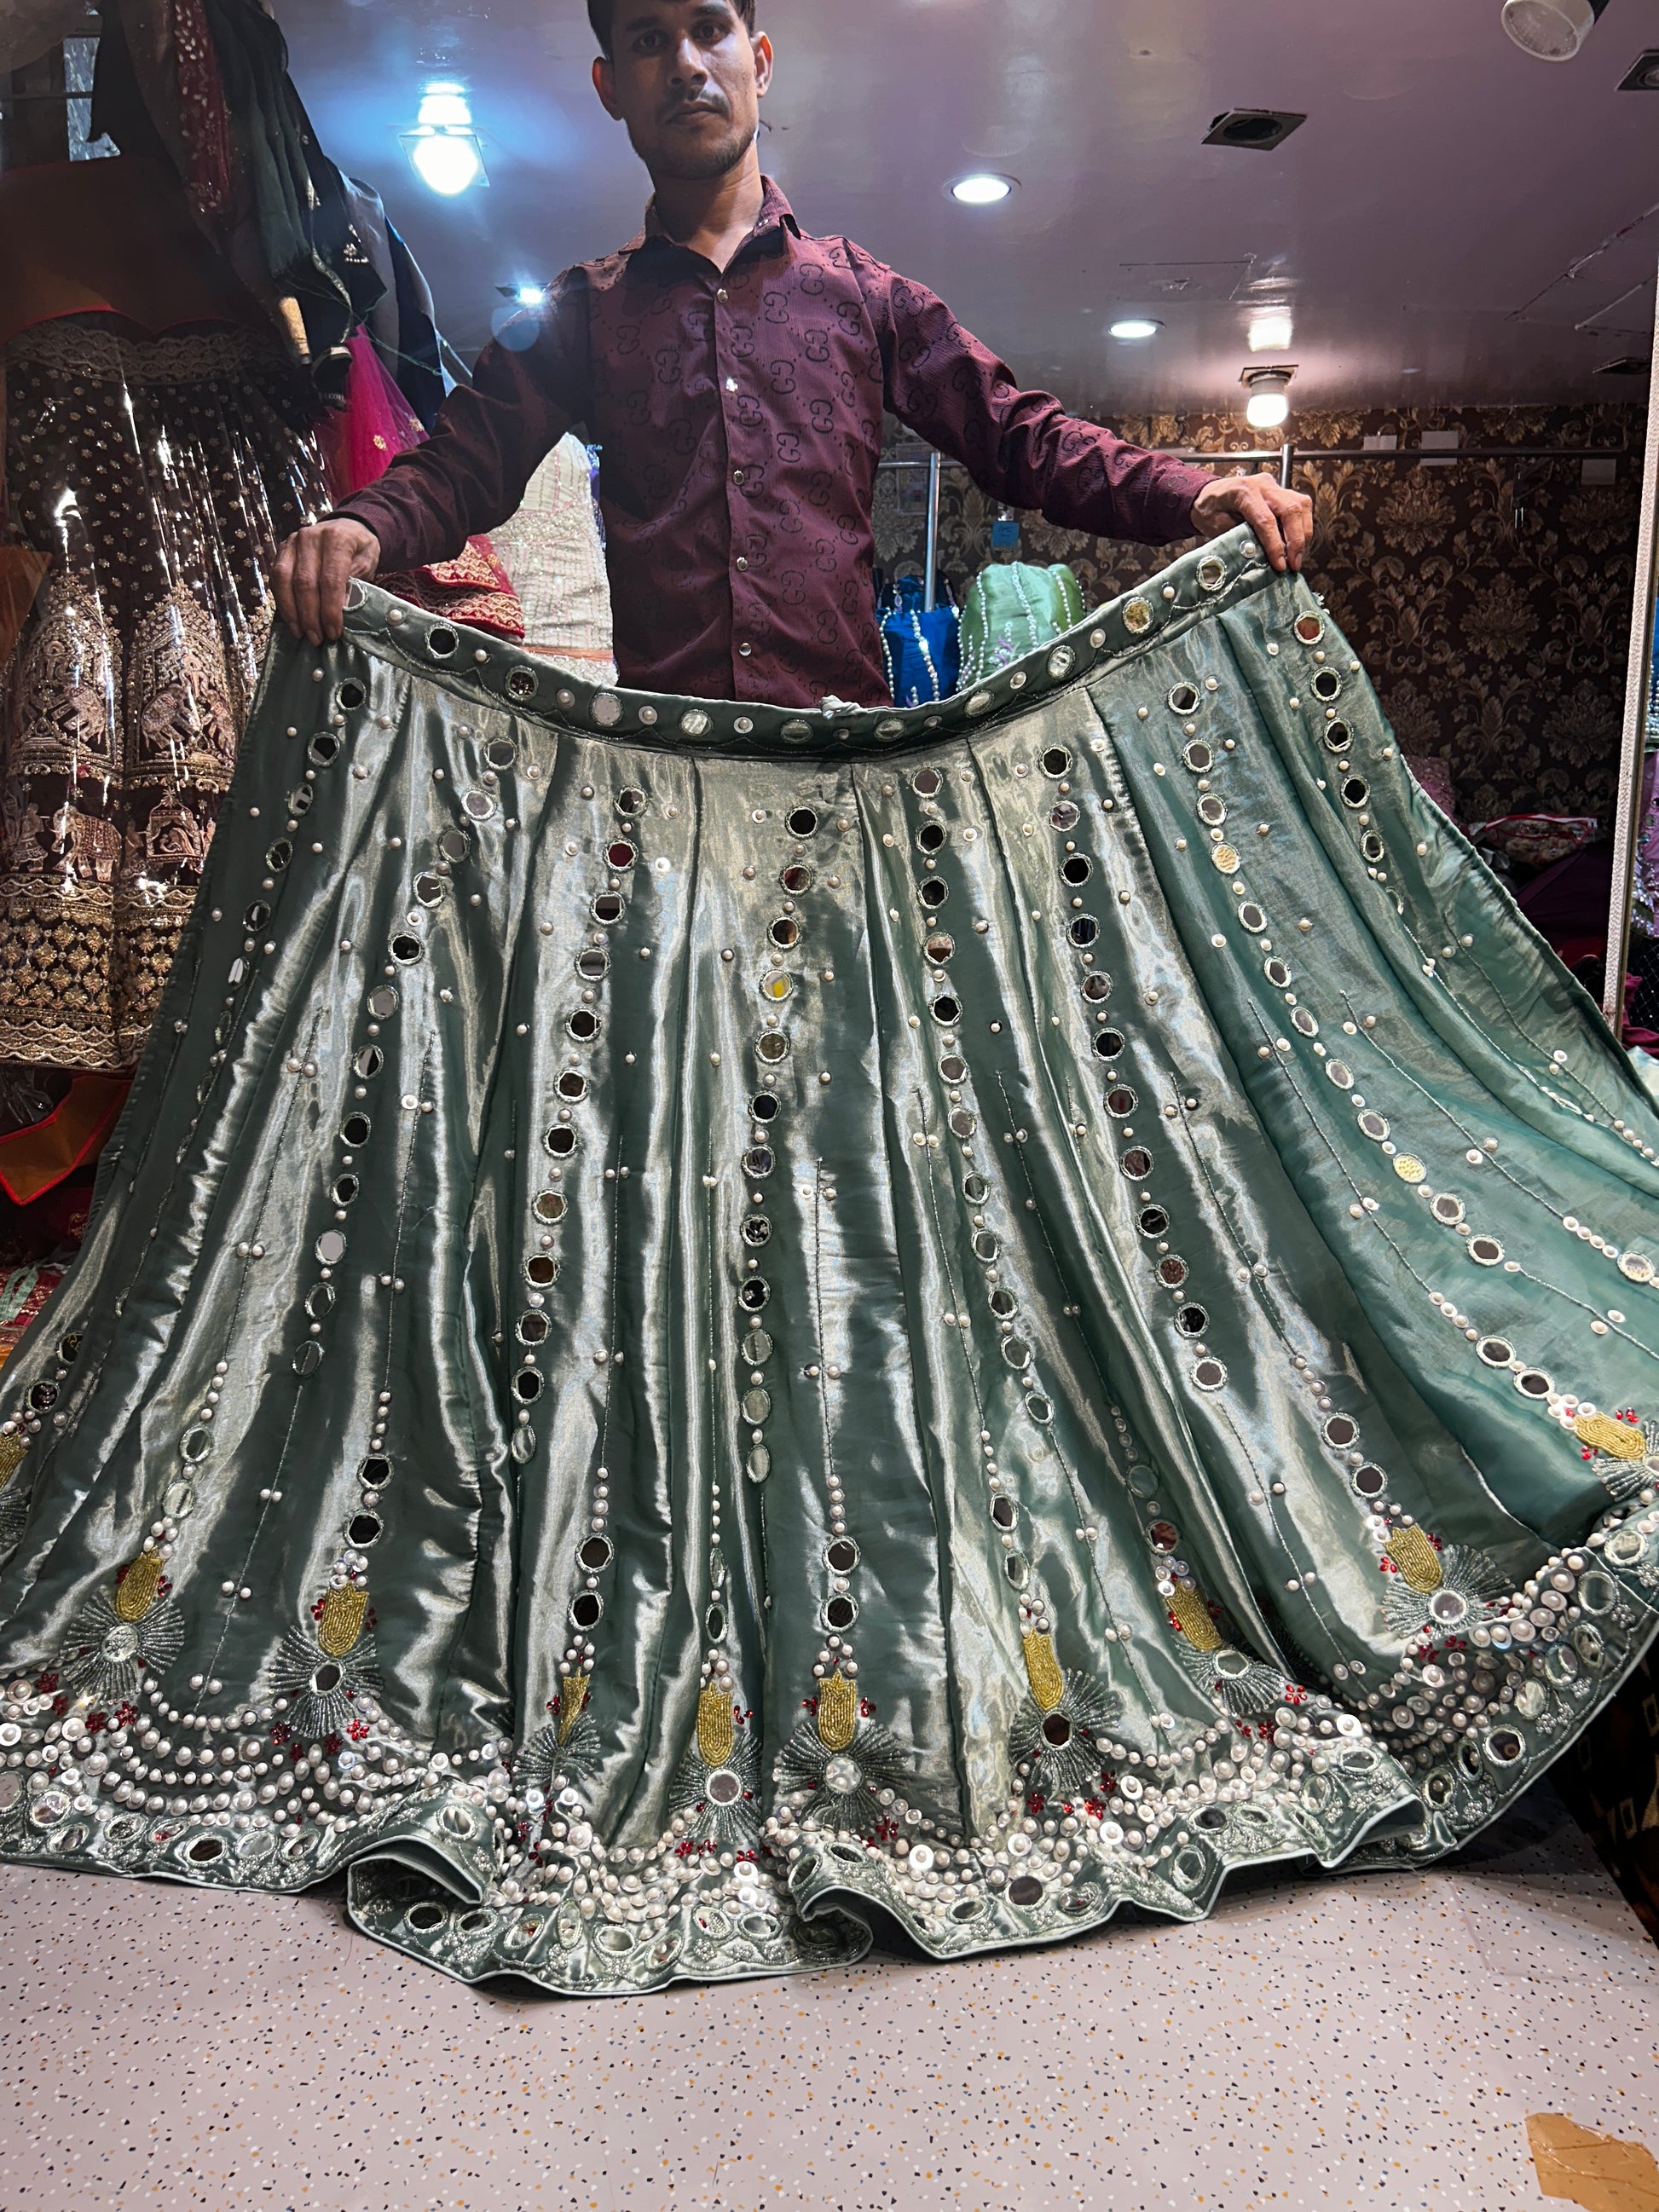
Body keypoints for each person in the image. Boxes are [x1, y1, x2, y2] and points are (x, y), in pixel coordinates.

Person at [273, 0, 1313, 704]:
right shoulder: (581, 316)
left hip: (846, 782)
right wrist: (360, 527)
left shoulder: (862, 298)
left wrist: (1192, 494)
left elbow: (1018, 437)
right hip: (666, 788)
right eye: (648, 40)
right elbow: (460, 466)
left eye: (708, 29)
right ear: (609, 85)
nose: (685, 63)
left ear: (758, 61)